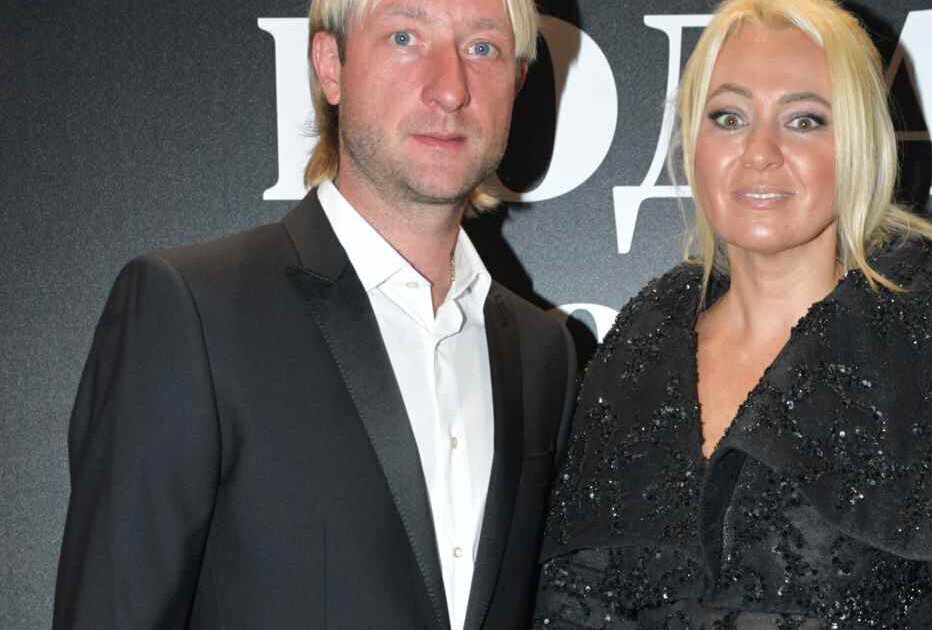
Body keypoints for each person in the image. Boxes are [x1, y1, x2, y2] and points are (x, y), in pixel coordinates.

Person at [534, 0, 932, 627]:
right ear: (693, 140)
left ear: (858, 145)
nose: (760, 151)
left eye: (804, 120)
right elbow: (569, 597)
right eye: (729, 117)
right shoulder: (637, 354)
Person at [52, 0, 575, 628]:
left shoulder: (543, 353)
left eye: (482, 48)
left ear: (516, 82)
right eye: (405, 37)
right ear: (330, 65)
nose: (450, 88)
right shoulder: (192, 312)